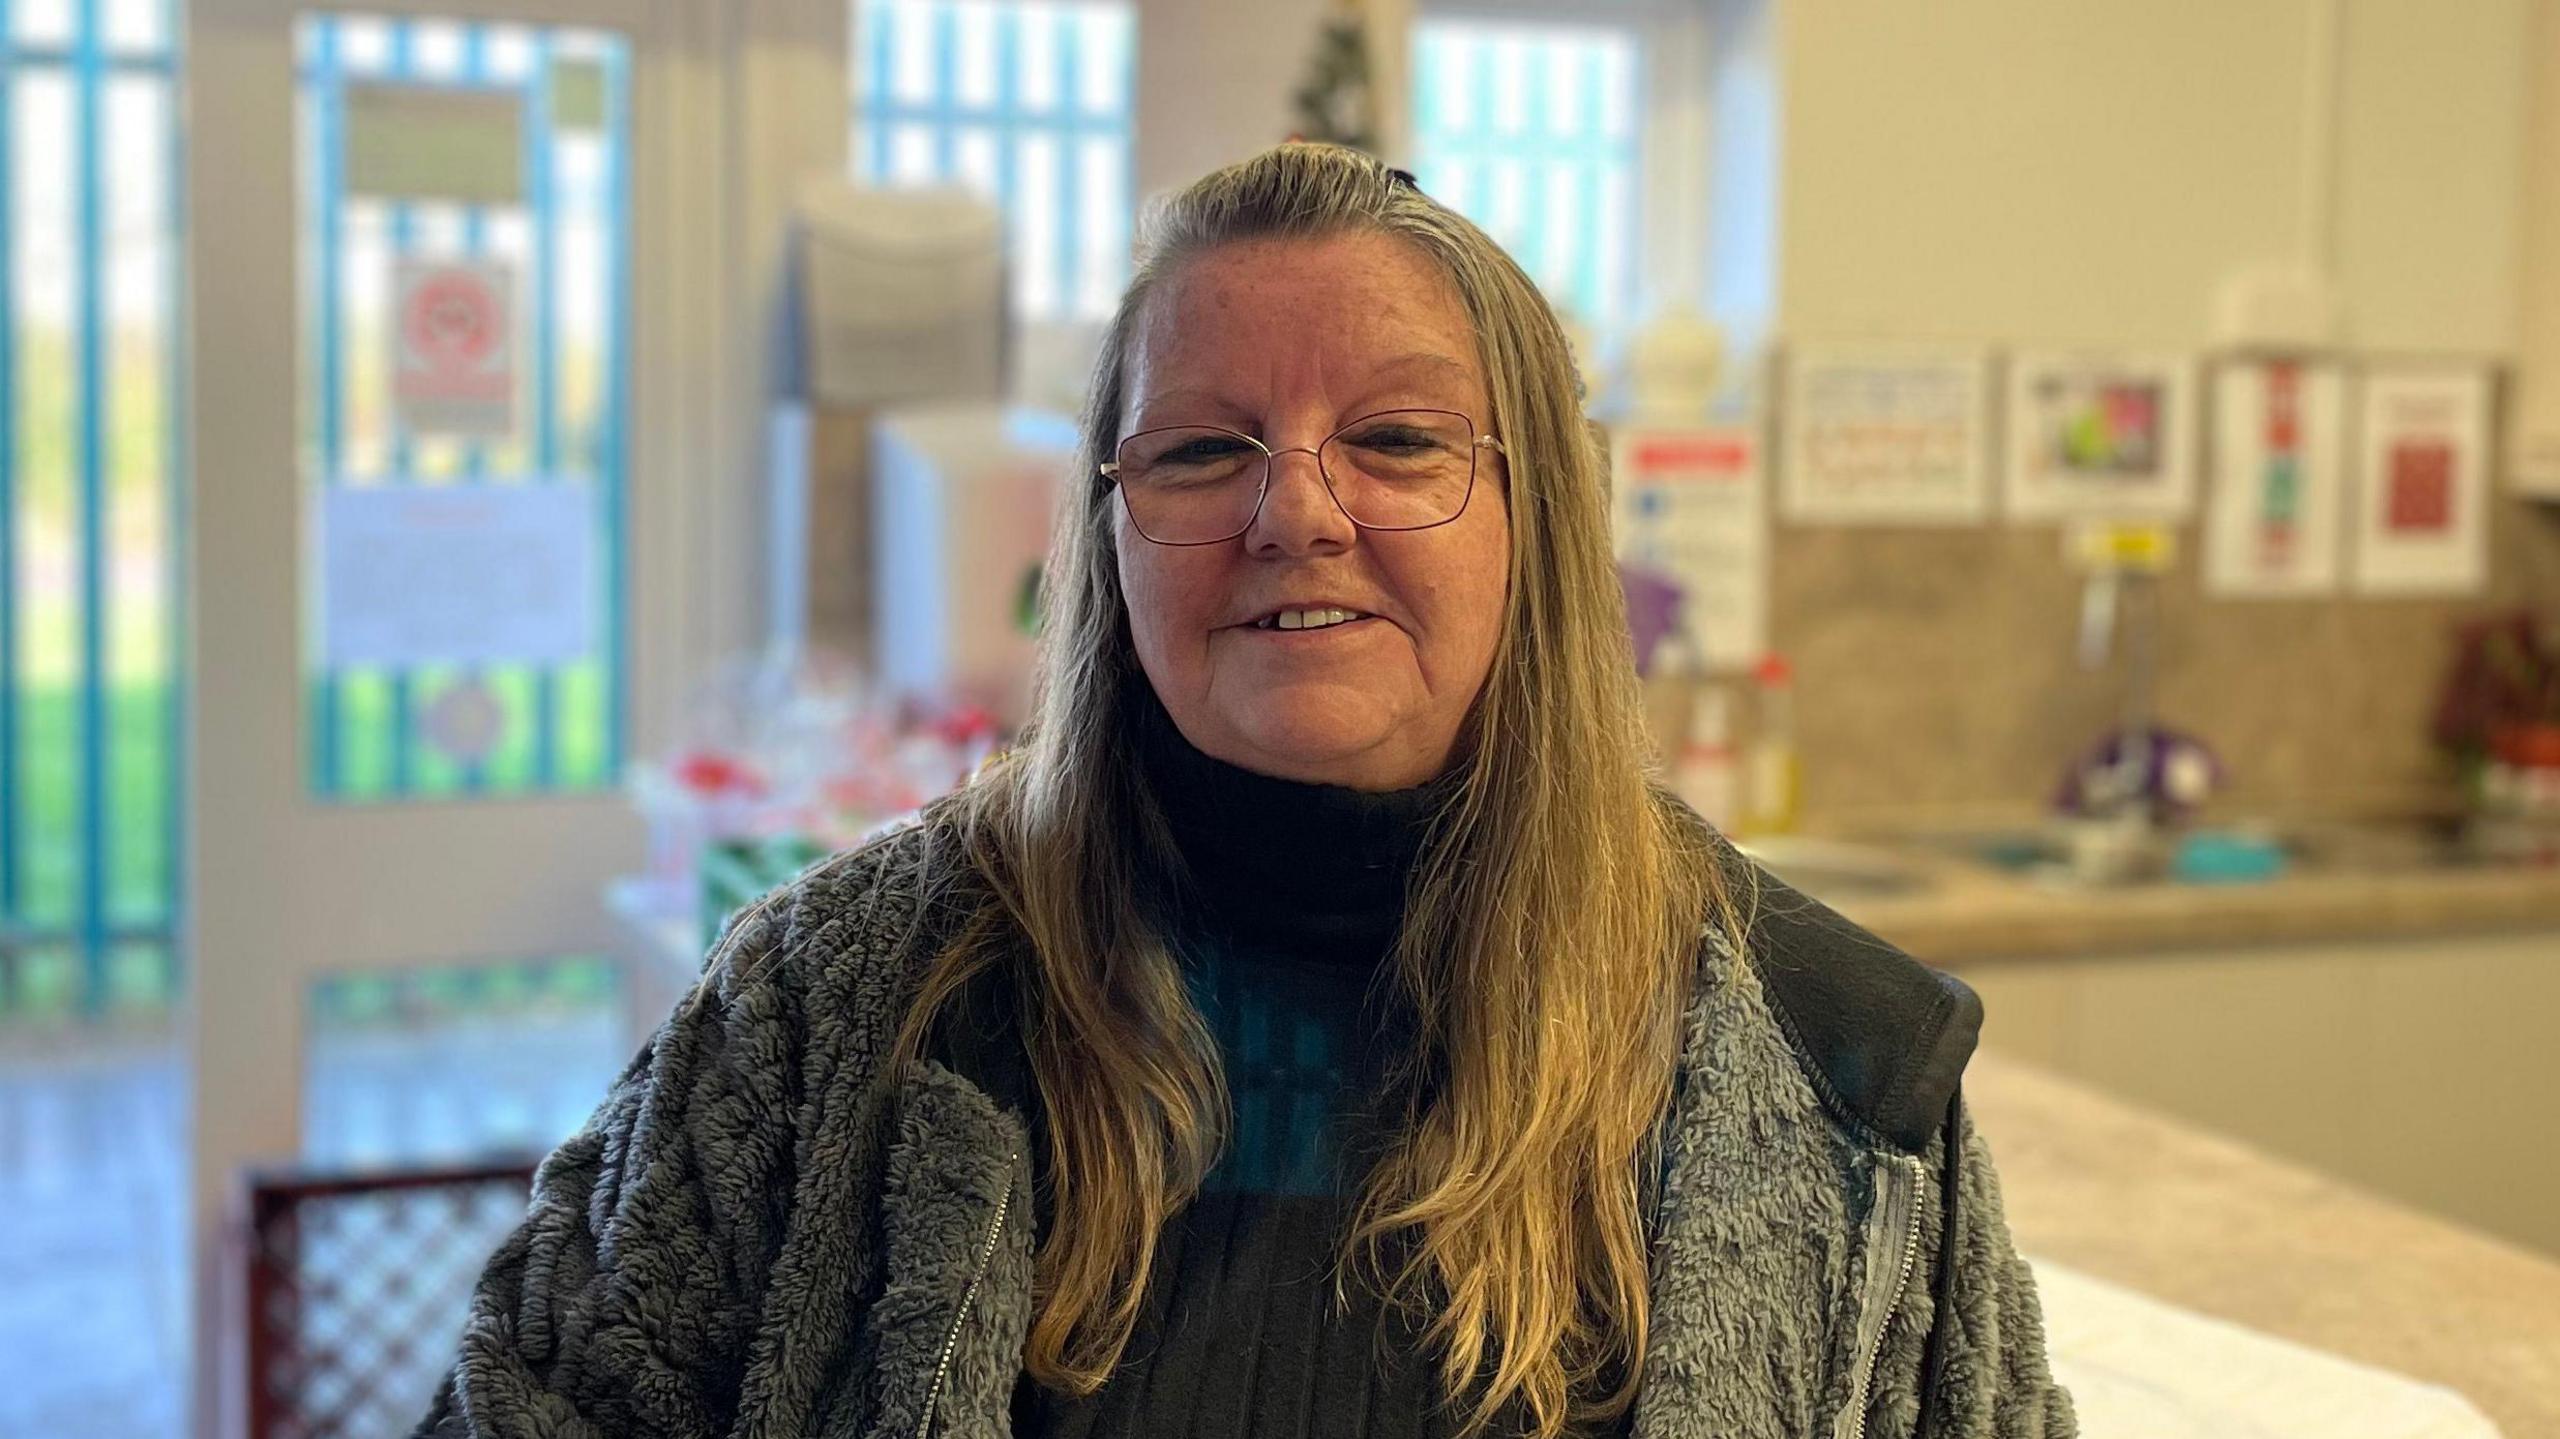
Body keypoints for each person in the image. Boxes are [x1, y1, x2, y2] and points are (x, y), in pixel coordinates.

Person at [413, 142, 2074, 1439]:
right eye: (1204, 449)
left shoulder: (1841, 1078)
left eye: (1401, 442)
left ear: (1540, 524)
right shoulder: (831, 1014)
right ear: (1114, 530)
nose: (1297, 512)